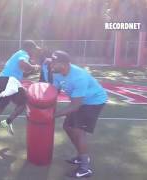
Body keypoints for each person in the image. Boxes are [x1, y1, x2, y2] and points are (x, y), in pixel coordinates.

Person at [49, 50, 107, 178]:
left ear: (64, 64)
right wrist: (48, 108)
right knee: (67, 127)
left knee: (77, 130)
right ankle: (82, 156)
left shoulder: (79, 77)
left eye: (54, 62)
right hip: (80, 101)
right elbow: (53, 92)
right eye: (51, 61)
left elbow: (75, 106)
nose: (51, 64)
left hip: (94, 101)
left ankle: (85, 168)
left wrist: (52, 115)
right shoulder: (57, 73)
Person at [0, 40, 41, 151]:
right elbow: (23, 64)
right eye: (34, 49)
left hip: (0, 81)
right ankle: (7, 122)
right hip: (9, 81)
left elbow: (22, 71)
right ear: (29, 48)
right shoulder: (23, 53)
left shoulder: (17, 54)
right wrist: (34, 67)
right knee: (24, 102)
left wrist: (32, 70)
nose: (35, 52)